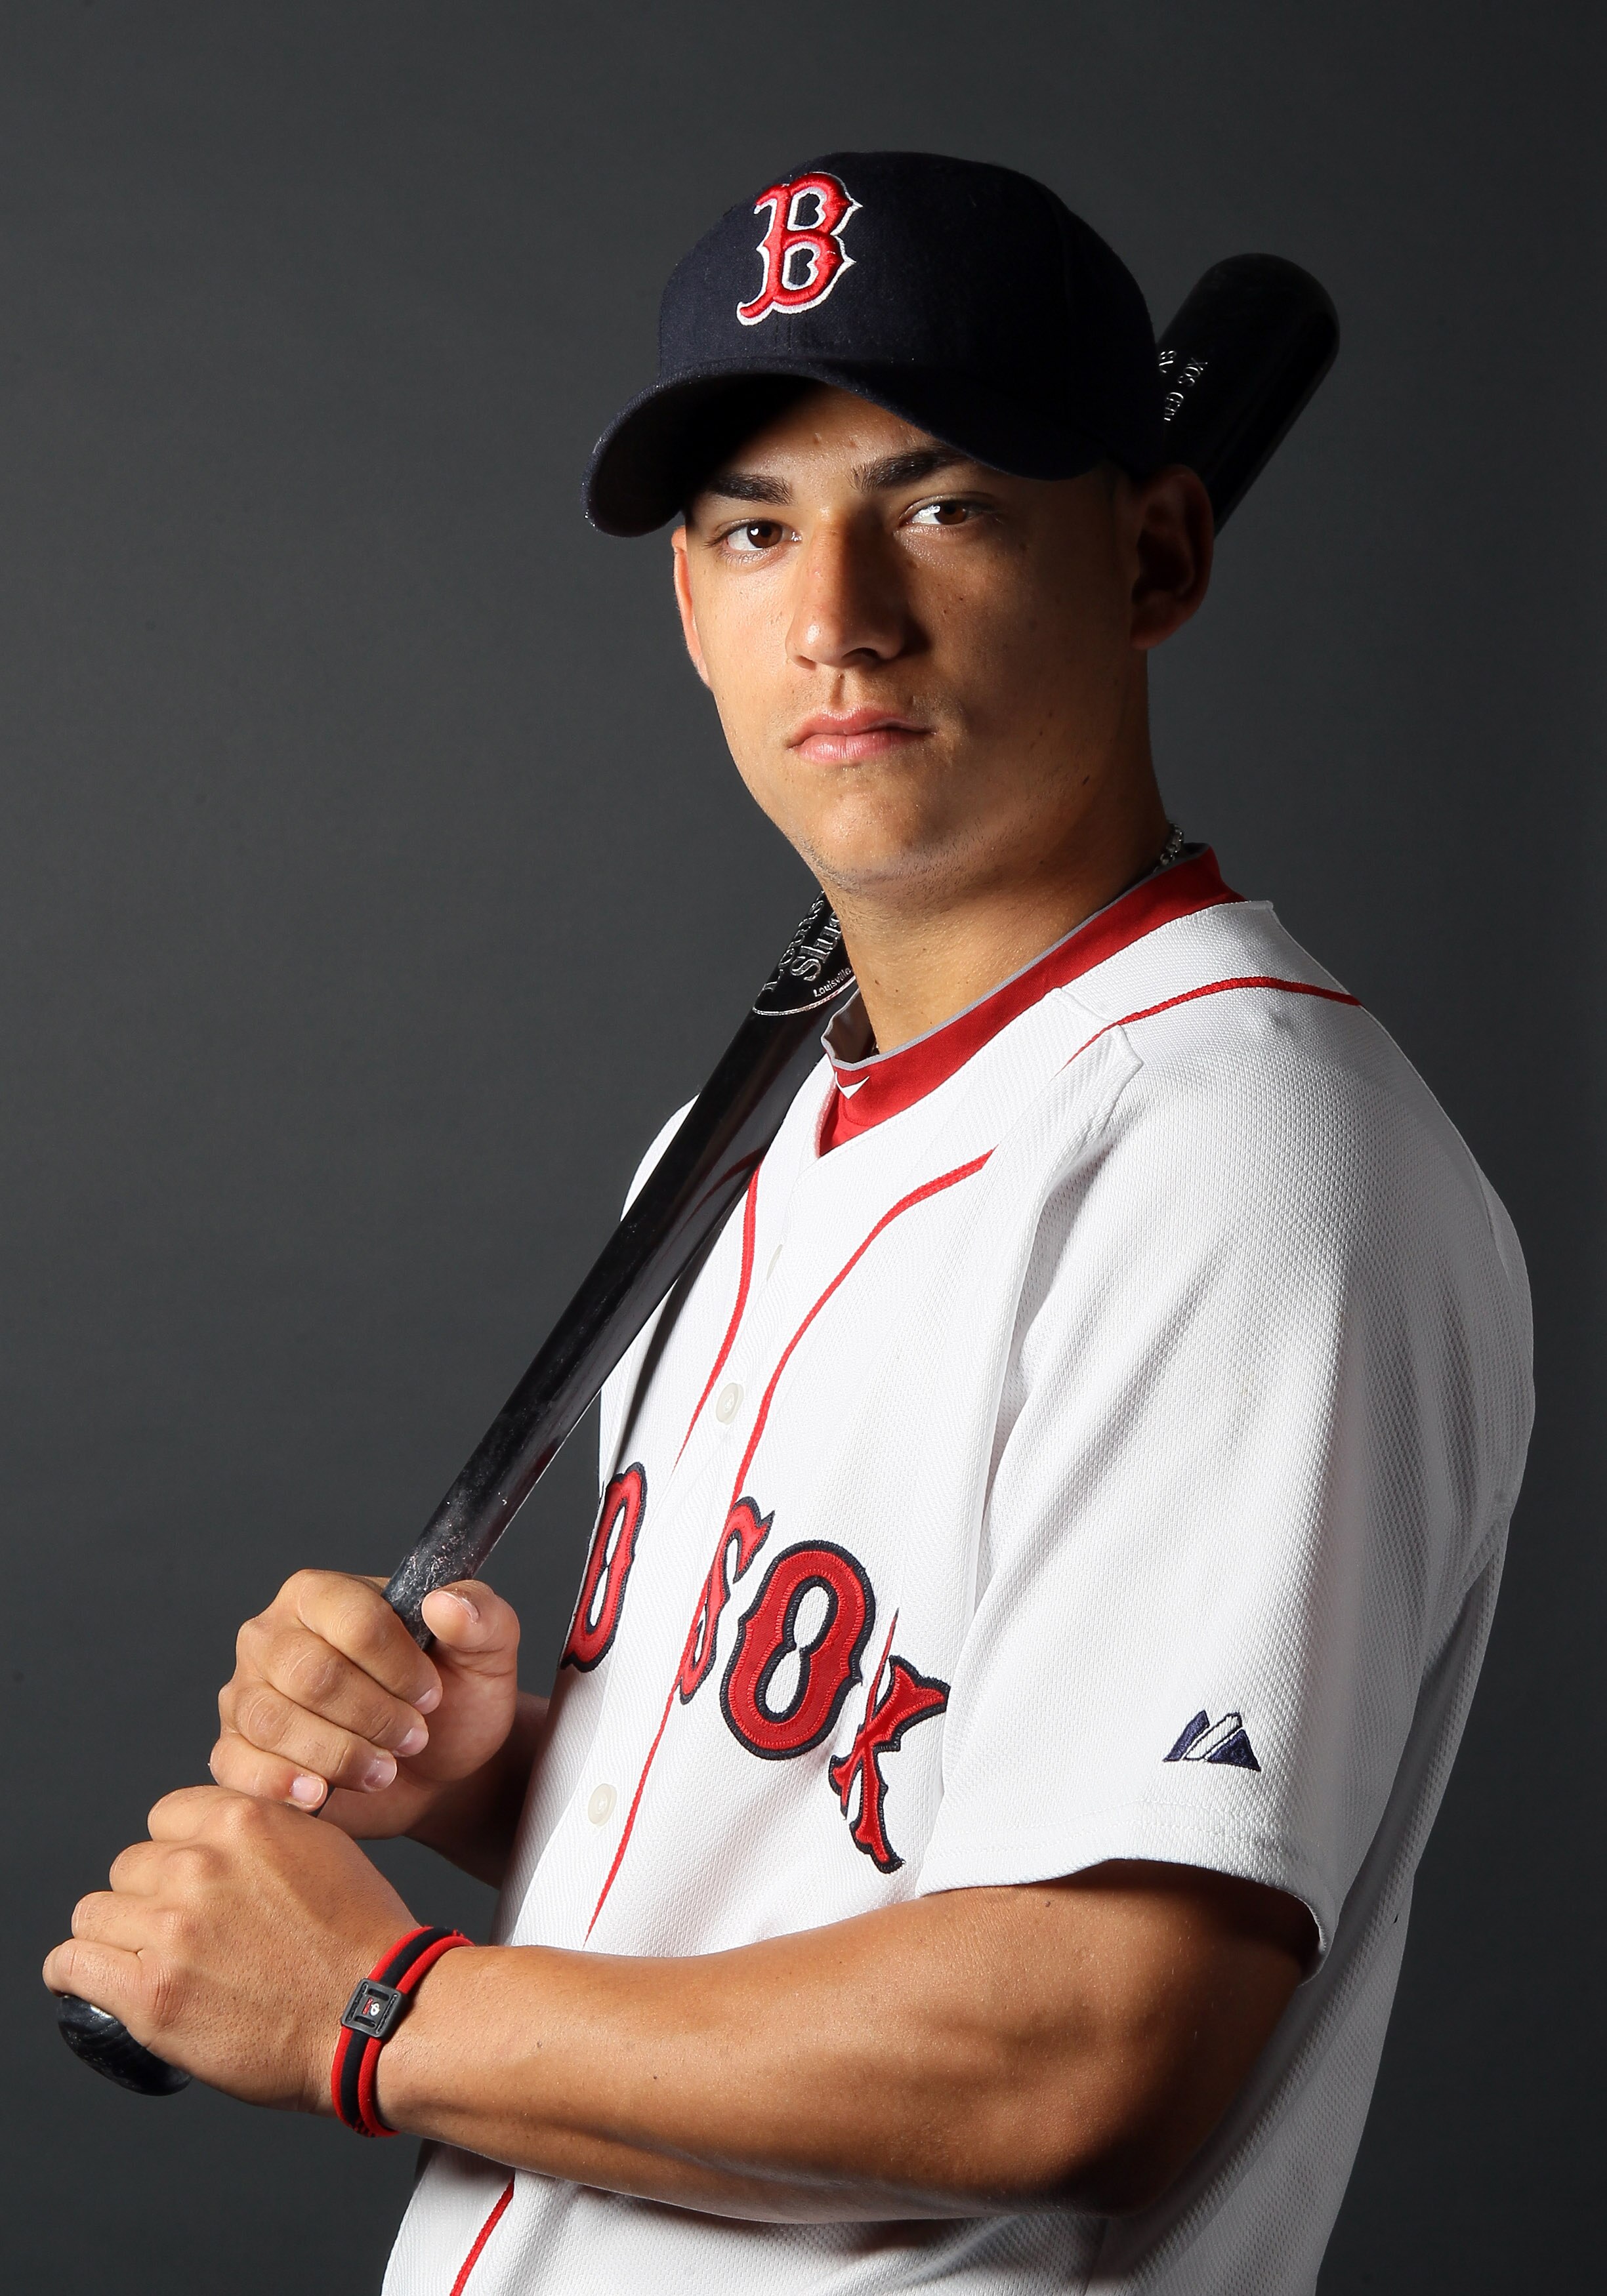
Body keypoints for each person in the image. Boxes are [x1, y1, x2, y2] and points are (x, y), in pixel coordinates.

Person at [46, 153, 1532, 2295]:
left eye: (937, 503)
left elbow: (1086, 2049)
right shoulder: (731, 1142)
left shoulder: (1239, 1156)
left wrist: (380, 2015)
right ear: (686, 604)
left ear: (1156, 546)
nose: (835, 611)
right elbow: (860, 1819)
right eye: (753, 527)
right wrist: (517, 1776)